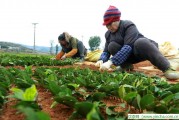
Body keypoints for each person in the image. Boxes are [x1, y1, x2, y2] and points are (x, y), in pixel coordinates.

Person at [95, 5, 179, 79]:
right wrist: (101, 60)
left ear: (117, 19)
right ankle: (126, 66)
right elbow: (106, 50)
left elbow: (128, 47)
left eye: (110, 24)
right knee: (111, 45)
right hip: (128, 57)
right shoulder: (108, 34)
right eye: (106, 25)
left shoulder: (128, 25)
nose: (108, 27)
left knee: (140, 42)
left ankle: (167, 67)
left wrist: (111, 62)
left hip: (140, 51)